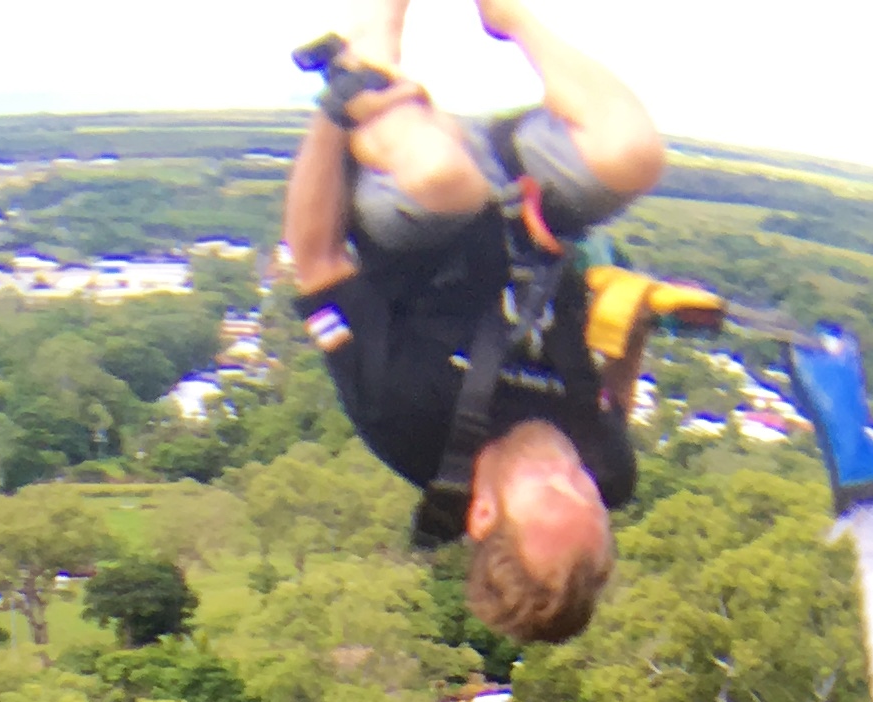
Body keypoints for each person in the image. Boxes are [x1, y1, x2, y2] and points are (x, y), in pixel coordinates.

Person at [279, 0, 666, 642]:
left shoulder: (406, 416)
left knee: (443, 177)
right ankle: (508, 15)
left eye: (553, 488)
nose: (576, 470)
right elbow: (612, 408)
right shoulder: (608, 468)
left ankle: (370, 53)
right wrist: (636, 325)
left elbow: (315, 260)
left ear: (483, 510)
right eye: (589, 493)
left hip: (421, 207)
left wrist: (333, 111)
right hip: (525, 201)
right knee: (634, 154)